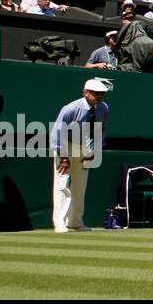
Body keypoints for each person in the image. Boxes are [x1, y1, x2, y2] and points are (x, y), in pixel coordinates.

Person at [51, 77, 112, 233]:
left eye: (101, 94)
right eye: (96, 93)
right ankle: (59, 222)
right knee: (62, 184)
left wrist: (93, 151)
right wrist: (63, 157)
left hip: (84, 147)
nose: (99, 97)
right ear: (86, 93)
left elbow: (99, 131)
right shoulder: (71, 108)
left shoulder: (103, 108)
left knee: (80, 185)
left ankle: (75, 222)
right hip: (65, 145)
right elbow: (58, 132)